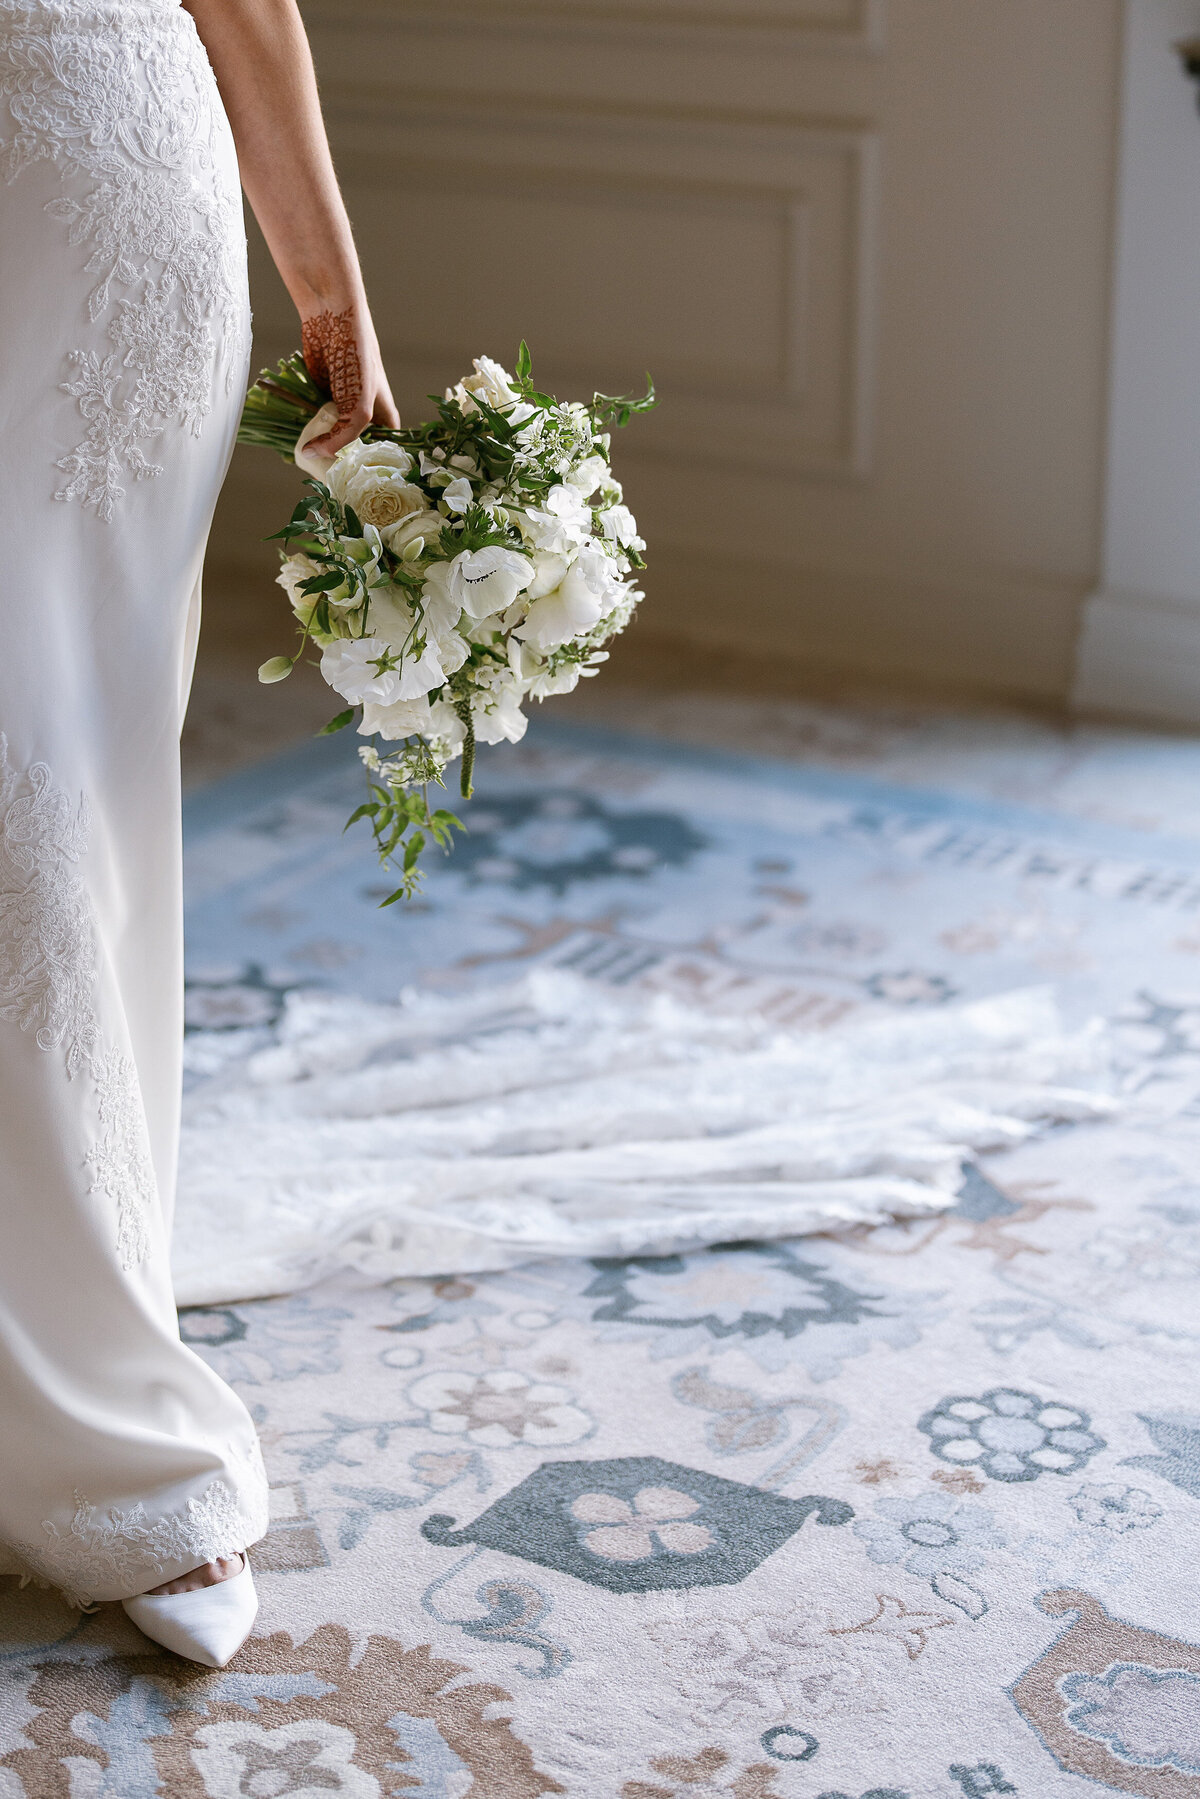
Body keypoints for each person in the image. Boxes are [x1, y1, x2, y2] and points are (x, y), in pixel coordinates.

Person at [0, 0, 395, 1667]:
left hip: (91, 167)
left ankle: (95, 1393)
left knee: (62, 763)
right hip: (101, 153)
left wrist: (331, 287)